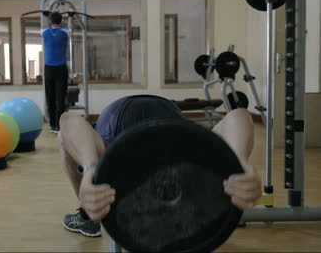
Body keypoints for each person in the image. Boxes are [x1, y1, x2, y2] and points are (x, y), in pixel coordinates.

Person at [57, 94, 262, 237]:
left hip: (135, 114)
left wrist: (91, 167)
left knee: (66, 137)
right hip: (154, 113)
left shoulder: (114, 156)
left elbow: (67, 121)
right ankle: (87, 214)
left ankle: (87, 216)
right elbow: (239, 115)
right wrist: (239, 163)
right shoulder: (181, 154)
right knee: (71, 139)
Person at [41, 11, 73, 133]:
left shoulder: (45, 32)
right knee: (60, 97)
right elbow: (70, 28)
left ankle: (53, 125)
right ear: (61, 21)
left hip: (49, 69)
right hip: (60, 69)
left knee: (50, 97)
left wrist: (45, 16)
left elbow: (43, 26)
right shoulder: (65, 32)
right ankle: (59, 126)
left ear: (50, 21)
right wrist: (70, 17)